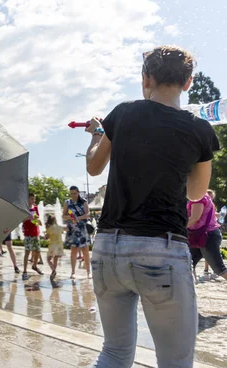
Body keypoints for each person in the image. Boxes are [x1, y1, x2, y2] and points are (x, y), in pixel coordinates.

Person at [86, 45, 219, 367]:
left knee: (114, 352)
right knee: (174, 361)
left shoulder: (123, 113)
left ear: (146, 78)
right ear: (187, 82)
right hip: (161, 249)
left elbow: (93, 166)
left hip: (108, 247)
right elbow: (195, 193)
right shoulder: (199, 129)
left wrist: (96, 134)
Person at [63, 186, 92, 279]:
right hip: (73, 229)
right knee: (73, 251)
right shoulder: (67, 202)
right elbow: (63, 215)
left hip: (83, 228)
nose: (73, 195)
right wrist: (69, 217)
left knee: (85, 251)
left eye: (75, 193)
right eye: (71, 193)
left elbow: (88, 214)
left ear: (78, 192)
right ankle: (73, 272)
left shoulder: (83, 201)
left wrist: (78, 218)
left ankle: (88, 272)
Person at [22, 193, 43, 280]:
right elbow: (22, 220)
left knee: (37, 251)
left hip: (35, 232)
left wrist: (38, 220)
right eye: (31, 199)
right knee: (27, 252)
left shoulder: (35, 208)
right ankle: (24, 271)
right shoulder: (24, 208)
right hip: (28, 233)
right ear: (27, 199)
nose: (33, 200)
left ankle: (34, 266)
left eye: (34, 199)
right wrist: (29, 217)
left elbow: (37, 218)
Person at [45, 215, 64, 281]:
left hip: (53, 246)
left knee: (48, 259)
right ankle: (53, 272)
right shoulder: (59, 227)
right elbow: (63, 231)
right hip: (59, 246)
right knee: (55, 259)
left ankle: (53, 270)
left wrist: (45, 235)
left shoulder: (50, 228)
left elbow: (47, 237)